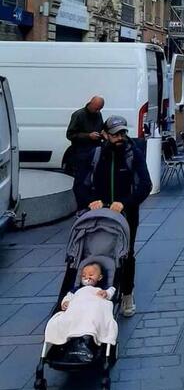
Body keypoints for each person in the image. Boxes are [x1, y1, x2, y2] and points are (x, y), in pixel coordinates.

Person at [73, 116, 152, 317]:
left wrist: (125, 202)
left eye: (123, 133)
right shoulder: (96, 154)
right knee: (93, 251)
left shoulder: (133, 154)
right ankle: (88, 290)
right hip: (97, 213)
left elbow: (145, 184)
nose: (120, 137)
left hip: (126, 213)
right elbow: (79, 184)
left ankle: (127, 293)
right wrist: (91, 200)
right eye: (115, 133)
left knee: (126, 253)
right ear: (106, 134)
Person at [44, 262, 117, 351]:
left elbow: (112, 291)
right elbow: (69, 296)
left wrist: (106, 293)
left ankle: (87, 338)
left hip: (94, 306)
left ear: (100, 277)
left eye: (91, 275)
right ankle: (72, 337)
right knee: (66, 318)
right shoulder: (77, 290)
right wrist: (66, 302)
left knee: (95, 315)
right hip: (78, 307)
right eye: (83, 275)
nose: (87, 277)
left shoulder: (104, 288)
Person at [64, 96, 105, 174]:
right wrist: (88, 136)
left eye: (100, 109)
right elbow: (70, 135)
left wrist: (102, 133)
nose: (98, 111)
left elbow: (101, 127)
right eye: (96, 108)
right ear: (91, 104)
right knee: (81, 176)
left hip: (95, 150)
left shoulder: (98, 114)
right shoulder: (78, 115)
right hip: (81, 152)